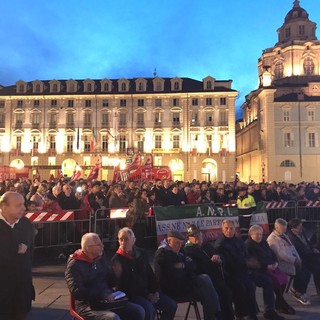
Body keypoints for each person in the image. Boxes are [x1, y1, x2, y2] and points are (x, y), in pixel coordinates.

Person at [65, 232, 145, 320]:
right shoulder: (75, 264)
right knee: (113, 318)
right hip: (88, 305)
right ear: (88, 248)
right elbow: (77, 291)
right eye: (98, 244)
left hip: (107, 300)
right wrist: (101, 295)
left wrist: (116, 274)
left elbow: (111, 282)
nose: (102, 246)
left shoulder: (101, 258)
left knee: (138, 310)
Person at [154, 230, 222, 320]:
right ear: (169, 241)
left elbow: (192, 264)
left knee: (206, 286)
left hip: (186, 282)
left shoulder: (181, 251)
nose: (179, 246)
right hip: (172, 288)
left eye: (180, 243)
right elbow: (165, 272)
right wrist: (181, 266)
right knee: (205, 284)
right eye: (176, 243)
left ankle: (213, 315)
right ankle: (216, 313)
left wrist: (182, 265)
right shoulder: (162, 254)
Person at [111, 227, 177, 320]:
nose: (123, 242)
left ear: (133, 240)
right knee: (148, 309)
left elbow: (150, 275)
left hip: (148, 292)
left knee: (171, 305)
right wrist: (147, 295)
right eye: (121, 239)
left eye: (126, 239)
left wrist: (155, 292)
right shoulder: (117, 260)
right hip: (133, 296)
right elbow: (123, 286)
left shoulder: (141, 253)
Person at [184, 224, 234, 320]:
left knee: (231, 289)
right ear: (189, 238)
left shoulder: (207, 246)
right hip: (203, 281)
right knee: (216, 294)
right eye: (194, 236)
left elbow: (221, 255)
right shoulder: (188, 251)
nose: (198, 237)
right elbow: (196, 269)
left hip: (217, 278)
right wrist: (212, 263)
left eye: (199, 234)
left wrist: (219, 258)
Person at [214, 219, 258, 320]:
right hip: (229, 274)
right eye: (226, 228)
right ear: (222, 230)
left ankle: (252, 314)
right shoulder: (220, 243)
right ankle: (240, 314)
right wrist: (245, 262)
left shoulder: (239, 241)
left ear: (235, 229)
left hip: (243, 271)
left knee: (251, 285)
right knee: (242, 287)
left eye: (231, 228)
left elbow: (246, 255)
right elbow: (226, 261)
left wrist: (250, 261)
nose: (229, 230)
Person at [0, 191, 35, 320]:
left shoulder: (25, 223)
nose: (24, 208)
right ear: (4, 207)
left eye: (23, 204)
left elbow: (29, 243)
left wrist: (25, 244)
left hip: (22, 291)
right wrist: (15, 249)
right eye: (18, 205)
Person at [245, 225, 289, 319]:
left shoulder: (263, 242)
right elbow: (253, 262)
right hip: (255, 271)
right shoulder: (249, 245)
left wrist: (275, 262)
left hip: (270, 268)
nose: (259, 236)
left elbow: (272, 253)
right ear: (251, 235)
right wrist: (267, 266)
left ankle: (278, 302)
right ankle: (269, 310)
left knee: (284, 278)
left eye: (260, 234)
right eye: (256, 234)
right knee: (269, 282)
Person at [267, 218, 311, 305]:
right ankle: (298, 292)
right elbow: (281, 255)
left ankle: (300, 291)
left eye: (285, 228)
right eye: (282, 228)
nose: (284, 230)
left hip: (292, 260)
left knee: (307, 273)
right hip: (282, 263)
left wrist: (298, 258)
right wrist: (294, 260)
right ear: (276, 227)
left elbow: (292, 248)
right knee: (301, 274)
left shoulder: (284, 235)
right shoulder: (272, 239)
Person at [287, 218, 320, 297]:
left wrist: (313, 248)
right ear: (293, 229)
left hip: (309, 256)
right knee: (309, 272)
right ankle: (299, 291)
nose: (301, 228)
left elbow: (308, 243)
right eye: (299, 227)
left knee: (318, 269)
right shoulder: (292, 238)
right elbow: (299, 251)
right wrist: (312, 252)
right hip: (302, 259)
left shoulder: (301, 233)